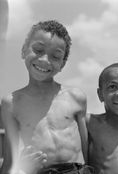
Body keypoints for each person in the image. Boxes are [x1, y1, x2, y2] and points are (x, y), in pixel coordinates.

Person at [0, 20, 91, 174]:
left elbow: (87, 152)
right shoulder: (12, 103)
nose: (44, 60)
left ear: (62, 64)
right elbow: (10, 162)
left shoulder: (76, 97)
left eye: (55, 56)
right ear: (23, 50)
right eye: (38, 49)